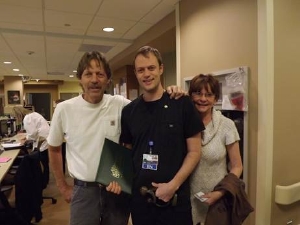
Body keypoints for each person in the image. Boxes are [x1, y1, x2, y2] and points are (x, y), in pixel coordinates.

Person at [47, 50, 185, 225]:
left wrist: (171, 91)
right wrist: (63, 187)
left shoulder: (120, 105)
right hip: (83, 192)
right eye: (88, 74)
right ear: (80, 79)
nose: (94, 80)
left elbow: (150, 102)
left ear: (107, 79)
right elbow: (54, 148)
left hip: (117, 191)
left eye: (100, 74)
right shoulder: (64, 109)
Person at [120, 46, 204, 225]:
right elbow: (127, 152)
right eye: (141, 70)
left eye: (151, 68)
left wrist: (172, 185)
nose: (146, 74)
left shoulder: (182, 104)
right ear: (135, 73)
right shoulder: (129, 111)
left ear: (161, 68)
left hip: (175, 199)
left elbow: (195, 152)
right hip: (141, 200)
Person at [188, 74, 243, 225]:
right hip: (187, 200)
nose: (203, 99)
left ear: (216, 98)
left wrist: (219, 193)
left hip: (217, 201)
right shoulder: (184, 123)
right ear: (191, 95)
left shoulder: (227, 126)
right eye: (198, 93)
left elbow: (237, 166)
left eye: (209, 94)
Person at [21, 111, 51, 187]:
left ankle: (41, 183)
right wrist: (28, 137)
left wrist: (26, 138)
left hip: (41, 140)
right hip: (45, 138)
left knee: (40, 162)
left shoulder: (27, 118)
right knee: (45, 163)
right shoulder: (33, 115)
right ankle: (45, 181)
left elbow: (32, 133)